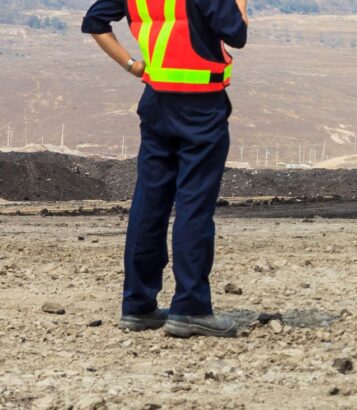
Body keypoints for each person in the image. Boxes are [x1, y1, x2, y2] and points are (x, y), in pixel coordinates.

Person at [81, 0, 248, 338]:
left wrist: (133, 66)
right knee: (194, 207)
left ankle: (138, 306)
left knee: (149, 203)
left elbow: (94, 21)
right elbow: (236, 33)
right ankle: (191, 308)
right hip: (200, 105)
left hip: (157, 101)